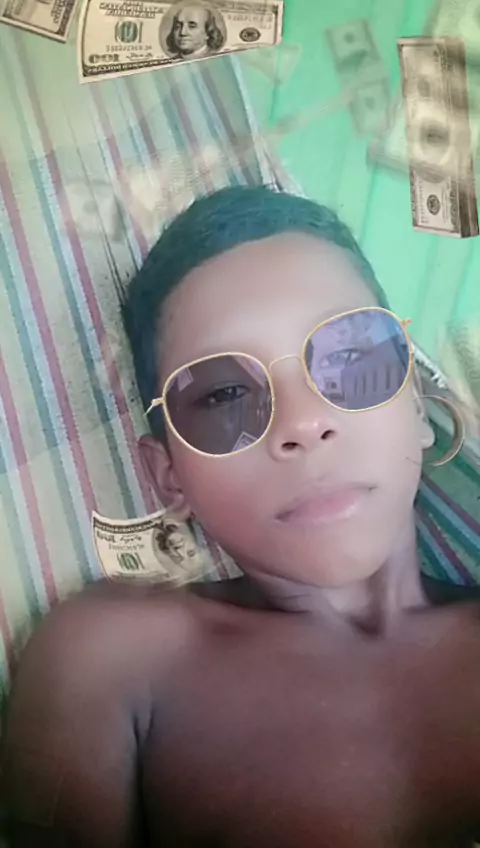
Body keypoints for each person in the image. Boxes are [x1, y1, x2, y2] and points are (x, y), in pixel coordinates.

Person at [3, 186, 480, 847]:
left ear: (417, 406)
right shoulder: (108, 661)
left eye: (349, 357)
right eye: (225, 394)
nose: (303, 423)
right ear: (169, 474)